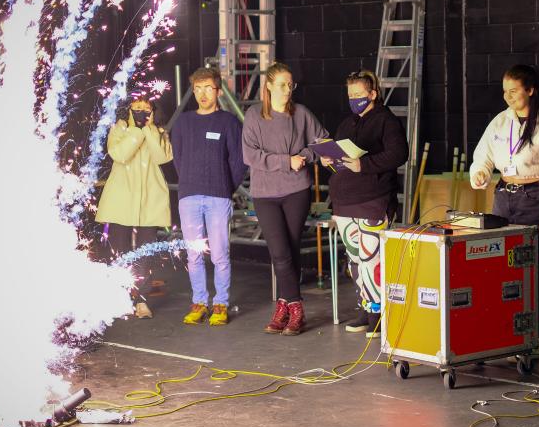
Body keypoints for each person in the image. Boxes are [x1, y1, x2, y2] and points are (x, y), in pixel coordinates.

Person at [469, 64, 539, 360]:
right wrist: (480, 173)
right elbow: (483, 155)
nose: (508, 97)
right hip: (504, 197)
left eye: (514, 91)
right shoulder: (500, 122)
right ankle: (500, 334)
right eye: (505, 91)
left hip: (536, 199)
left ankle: (529, 340)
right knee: (498, 269)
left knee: (532, 272)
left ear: (531, 90)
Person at [242, 62, 328, 336]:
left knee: (290, 249)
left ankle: (283, 307)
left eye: (291, 85)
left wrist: (305, 156)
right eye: (282, 85)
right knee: (279, 252)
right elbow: (250, 155)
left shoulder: (301, 113)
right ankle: (295, 306)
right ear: (268, 86)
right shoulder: (254, 115)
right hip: (265, 194)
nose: (288, 90)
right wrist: (286, 161)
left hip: (296, 191)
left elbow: (323, 143)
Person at [323, 71, 408, 339]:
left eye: (359, 94)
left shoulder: (387, 121)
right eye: (350, 95)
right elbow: (342, 157)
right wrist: (329, 160)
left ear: (373, 94)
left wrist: (365, 164)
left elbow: (399, 154)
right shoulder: (347, 123)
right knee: (356, 262)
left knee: (373, 260)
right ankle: (366, 307)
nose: (354, 99)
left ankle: (379, 314)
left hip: (373, 200)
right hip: (345, 202)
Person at [170, 67, 247, 327]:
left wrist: (226, 186)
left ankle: (221, 303)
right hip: (189, 196)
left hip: (218, 197)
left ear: (218, 91)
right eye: (198, 89)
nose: (202, 94)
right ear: (193, 91)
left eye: (208, 88)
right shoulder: (183, 123)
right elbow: (178, 159)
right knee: (193, 254)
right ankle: (199, 302)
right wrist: (189, 180)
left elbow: (239, 161)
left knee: (219, 254)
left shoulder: (229, 122)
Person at [96, 97, 173, 319]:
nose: (141, 111)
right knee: (119, 252)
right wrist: (136, 131)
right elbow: (120, 154)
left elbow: (162, 158)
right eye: (136, 108)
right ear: (128, 109)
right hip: (121, 200)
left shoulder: (159, 132)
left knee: (144, 253)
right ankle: (119, 297)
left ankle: (142, 300)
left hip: (150, 201)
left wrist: (148, 129)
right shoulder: (119, 129)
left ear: (153, 111)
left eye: (146, 108)